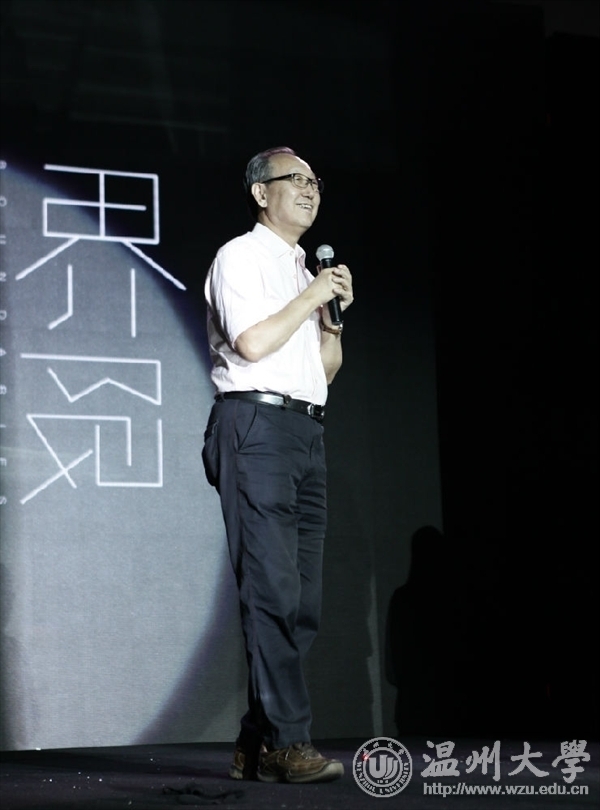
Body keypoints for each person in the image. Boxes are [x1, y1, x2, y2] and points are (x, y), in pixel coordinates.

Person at [201, 146, 353, 784]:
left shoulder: (303, 269)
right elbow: (253, 342)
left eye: (315, 180)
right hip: (255, 426)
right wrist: (312, 294)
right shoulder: (240, 256)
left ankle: (255, 740)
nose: (310, 189)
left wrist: (331, 323)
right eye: (296, 179)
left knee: (302, 601)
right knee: (271, 591)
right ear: (262, 193)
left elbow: (325, 372)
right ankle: (289, 745)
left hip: (305, 430)